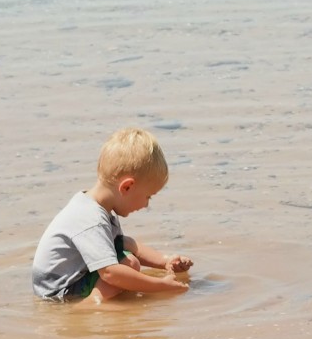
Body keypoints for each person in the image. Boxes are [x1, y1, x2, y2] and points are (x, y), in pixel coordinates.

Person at [32, 128, 193, 303]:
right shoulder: (91, 218)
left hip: (71, 278)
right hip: (58, 291)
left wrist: (164, 261)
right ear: (127, 187)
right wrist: (160, 285)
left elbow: (126, 244)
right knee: (127, 265)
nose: (147, 204)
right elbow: (110, 272)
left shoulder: (97, 206)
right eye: (148, 196)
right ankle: (89, 307)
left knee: (125, 255)